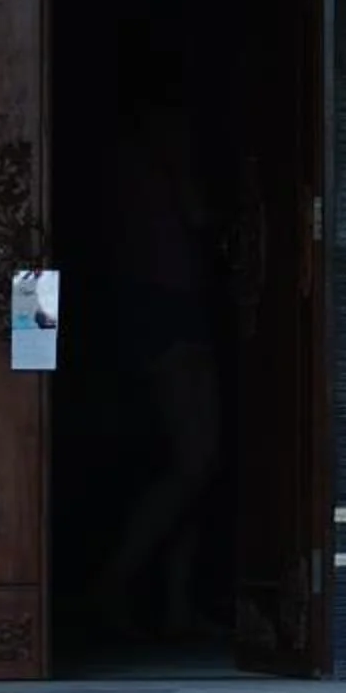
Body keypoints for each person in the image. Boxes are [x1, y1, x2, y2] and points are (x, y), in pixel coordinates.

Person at [79, 85, 229, 644]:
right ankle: (113, 583)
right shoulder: (157, 145)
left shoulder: (120, 150)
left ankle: (174, 603)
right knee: (196, 460)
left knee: (192, 464)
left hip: (148, 303)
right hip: (168, 306)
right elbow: (196, 214)